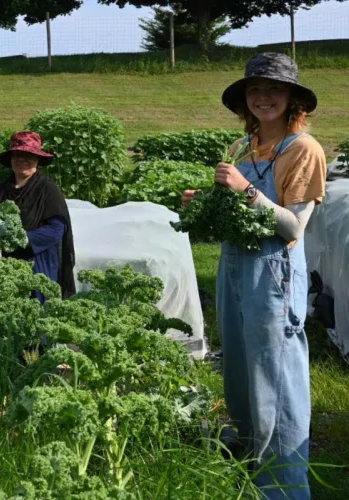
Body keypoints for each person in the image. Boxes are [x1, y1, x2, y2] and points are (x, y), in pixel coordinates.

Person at [182, 53, 326, 499]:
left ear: (292, 99)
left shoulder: (303, 149)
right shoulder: (241, 148)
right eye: (255, 90)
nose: (264, 97)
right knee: (242, 371)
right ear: (245, 100)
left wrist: (245, 191)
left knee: (275, 374)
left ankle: (283, 486)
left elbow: (292, 228)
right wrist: (204, 203)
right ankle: (249, 462)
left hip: (273, 272)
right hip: (235, 267)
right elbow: (232, 218)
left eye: (275, 90)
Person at [0, 131, 76, 301]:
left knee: (34, 313)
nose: (22, 159)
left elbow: (57, 229)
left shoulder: (48, 189)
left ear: (38, 160)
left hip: (37, 265)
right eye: (17, 155)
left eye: (28, 155)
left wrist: (20, 238)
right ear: (10, 159)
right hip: (1, 266)